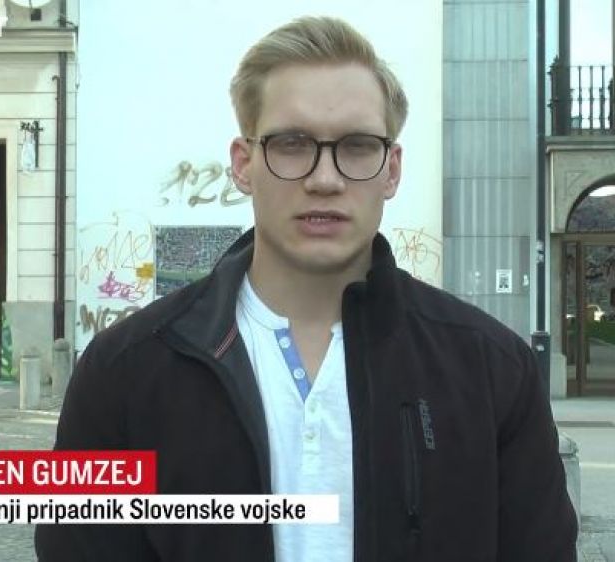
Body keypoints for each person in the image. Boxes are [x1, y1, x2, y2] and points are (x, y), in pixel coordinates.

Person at [36, 16, 577, 561]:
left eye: (358, 146)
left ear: (391, 170)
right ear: (244, 165)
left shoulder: (490, 369)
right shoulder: (124, 370)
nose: (324, 178)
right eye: (292, 144)